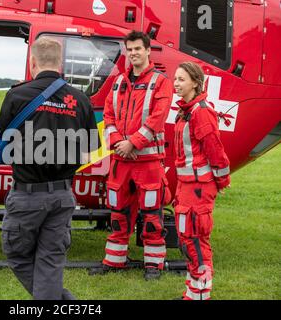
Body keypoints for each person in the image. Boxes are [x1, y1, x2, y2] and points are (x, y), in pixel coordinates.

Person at [0, 37, 100, 300]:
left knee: (17, 253)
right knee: (51, 261)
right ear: (60, 64)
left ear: (32, 62)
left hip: (27, 194)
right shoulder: (81, 99)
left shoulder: (16, 95)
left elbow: (2, 148)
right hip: (63, 195)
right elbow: (90, 151)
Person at [89, 31, 173, 280]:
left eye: (138, 48)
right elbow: (109, 116)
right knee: (118, 213)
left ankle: (153, 266)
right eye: (130, 49)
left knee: (151, 215)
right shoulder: (118, 82)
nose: (134, 53)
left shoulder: (161, 82)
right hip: (121, 161)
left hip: (148, 162)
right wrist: (118, 143)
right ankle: (114, 261)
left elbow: (157, 119)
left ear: (148, 50)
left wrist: (133, 144)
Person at [173, 61, 230, 300]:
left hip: (198, 189)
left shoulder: (201, 112)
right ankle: (193, 292)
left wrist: (222, 181)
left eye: (181, 79)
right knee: (187, 241)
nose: (176, 84)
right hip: (187, 188)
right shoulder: (186, 110)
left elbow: (215, 151)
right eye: (175, 79)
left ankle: (200, 295)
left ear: (195, 83)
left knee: (196, 242)